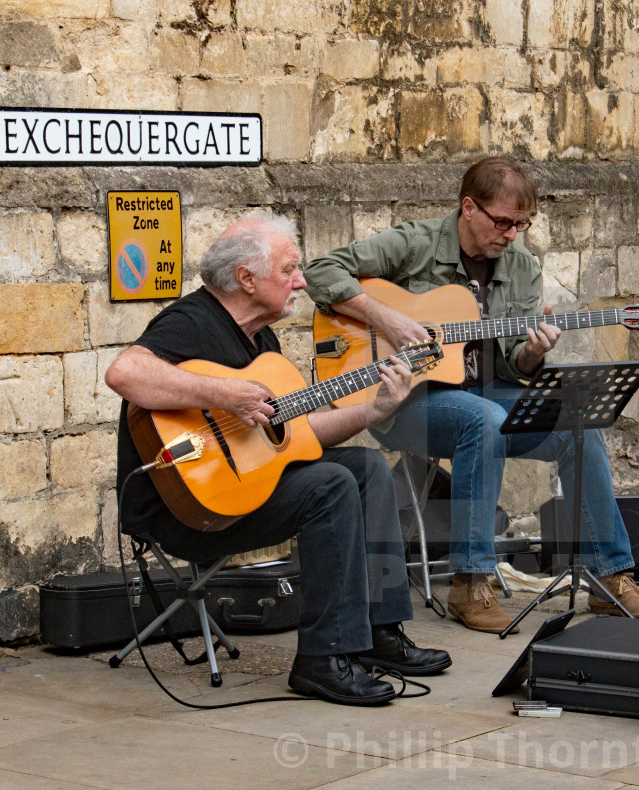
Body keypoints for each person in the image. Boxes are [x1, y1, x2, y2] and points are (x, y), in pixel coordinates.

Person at [305, 157, 639, 634]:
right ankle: (470, 584)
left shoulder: (522, 267)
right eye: (502, 221)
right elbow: (320, 270)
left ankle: (609, 578)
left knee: (577, 422)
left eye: (521, 224)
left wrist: (534, 353)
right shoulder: (415, 244)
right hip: (406, 401)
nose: (511, 234)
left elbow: (517, 362)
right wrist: (385, 318)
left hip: (489, 399)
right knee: (484, 420)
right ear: (468, 207)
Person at [105, 216, 451, 707]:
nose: (302, 281)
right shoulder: (191, 321)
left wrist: (377, 409)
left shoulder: (262, 342)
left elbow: (298, 436)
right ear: (247, 279)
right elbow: (124, 372)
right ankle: (321, 660)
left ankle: (379, 635)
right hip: (182, 507)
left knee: (368, 469)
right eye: (289, 269)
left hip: (247, 489)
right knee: (330, 484)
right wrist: (226, 394)